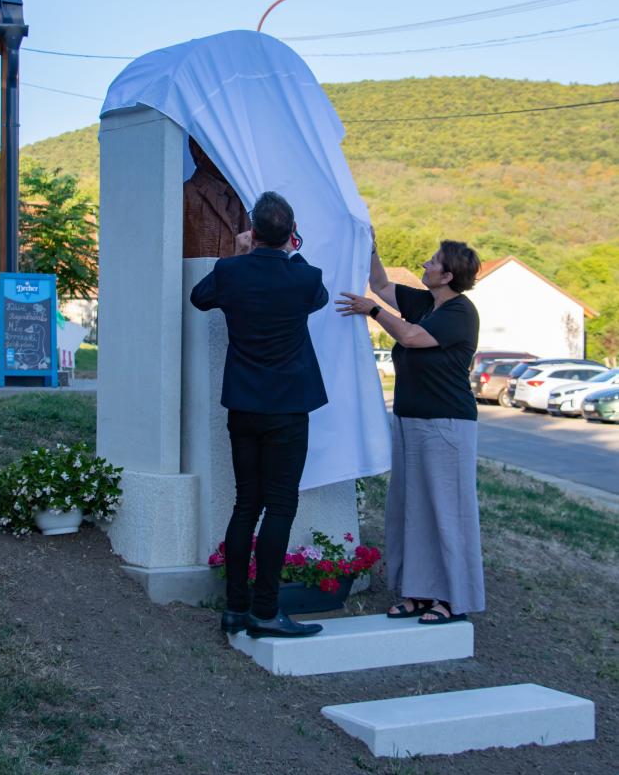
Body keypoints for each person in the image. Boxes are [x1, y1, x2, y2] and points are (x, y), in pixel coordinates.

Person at [190, 191, 329, 639]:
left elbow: (199, 297)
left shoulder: (230, 272)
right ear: (291, 234)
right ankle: (265, 611)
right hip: (288, 408)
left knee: (246, 504)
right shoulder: (304, 277)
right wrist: (292, 251)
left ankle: (235, 608)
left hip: (244, 405)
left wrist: (239, 253)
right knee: (281, 505)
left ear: (252, 232)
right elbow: (320, 297)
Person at [336, 235, 484, 625]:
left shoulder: (460, 312)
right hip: (410, 421)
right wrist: (369, 245)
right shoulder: (425, 303)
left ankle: (452, 599)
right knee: (412, 509)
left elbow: (411, 337)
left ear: (448, 275)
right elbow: (381, 285)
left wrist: (373, 312)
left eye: (433, 261)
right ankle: (418, 594)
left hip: (446, 425)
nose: (425, 265)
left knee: (447, 512)